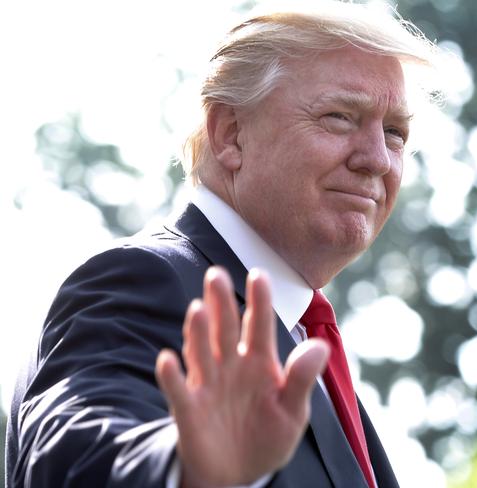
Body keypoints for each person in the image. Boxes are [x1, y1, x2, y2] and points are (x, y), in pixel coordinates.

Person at [5, 1, 437, 486]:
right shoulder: (145, 280)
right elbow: (74, 457)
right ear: (231, 134)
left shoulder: (302, 346)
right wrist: (188, 470)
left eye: (395, 133)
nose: (377, 159)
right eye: (340, 117)